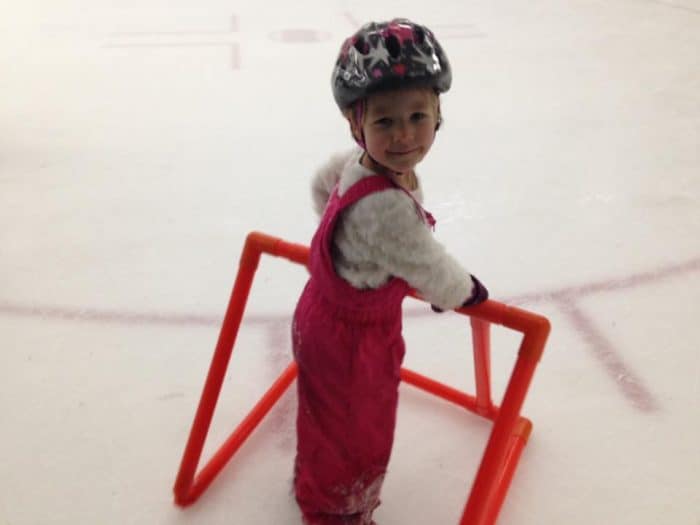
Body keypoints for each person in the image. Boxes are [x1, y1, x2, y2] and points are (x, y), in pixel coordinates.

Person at [291, 18, 489, 525]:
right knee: (360, 431)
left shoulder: (353, 164)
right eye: (384, 123)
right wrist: (463, 292)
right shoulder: (387, 209)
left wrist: (350, 247)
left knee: (330, 420)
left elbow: (322, 187)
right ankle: (338, 512)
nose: (404, 135)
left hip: (321, 313)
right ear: (357, 125)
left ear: (439, 114)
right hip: (354, 342)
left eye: (418, 115)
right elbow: (426, 265)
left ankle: (315, 485)